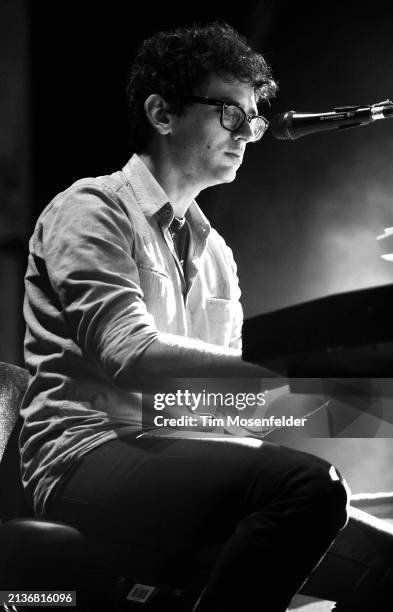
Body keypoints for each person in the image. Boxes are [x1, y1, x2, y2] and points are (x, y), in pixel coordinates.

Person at [20, 21, 393, 612]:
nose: (248, 133)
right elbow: (133, 357)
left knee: (384, 552)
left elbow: (218, 404)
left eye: (254, 118)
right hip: (87, 458)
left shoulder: (216, 253)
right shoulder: (91, 209)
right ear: (162, 114)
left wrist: (365, 415)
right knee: (307, 489)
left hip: (175, 455)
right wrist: (285, 375)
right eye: (230, 113)